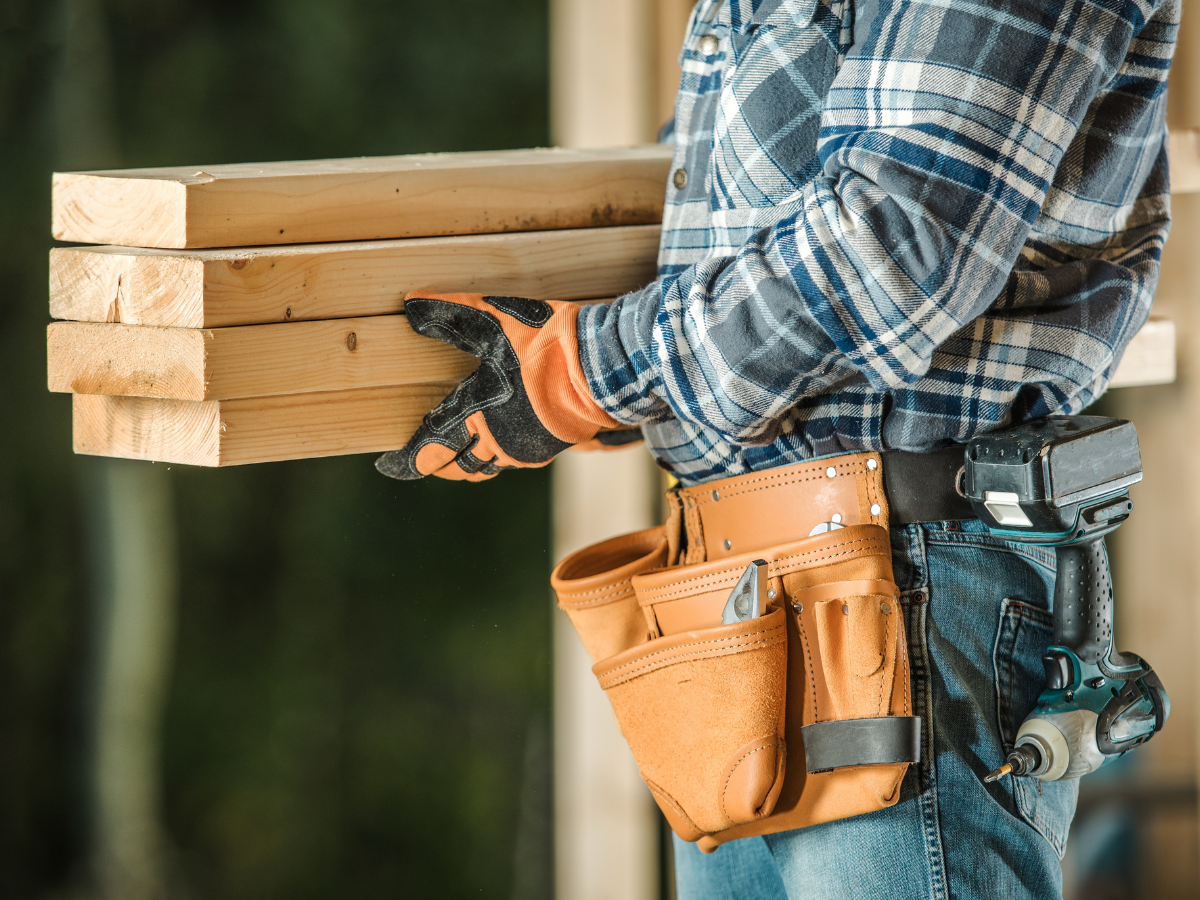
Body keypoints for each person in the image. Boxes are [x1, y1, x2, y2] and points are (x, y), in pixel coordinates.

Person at [376, 0, 1179, 896]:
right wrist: (645, 381)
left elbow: (901, 239)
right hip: (741, 595)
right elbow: (729, 217)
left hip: (907, 583)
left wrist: (596, 373)